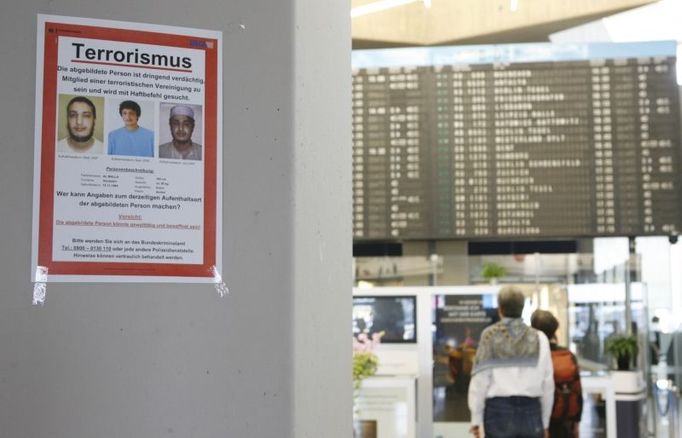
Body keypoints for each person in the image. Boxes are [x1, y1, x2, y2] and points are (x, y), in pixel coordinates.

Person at [468, 286, 554, 438]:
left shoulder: (489, 336)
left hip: (498, 412)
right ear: (523, 307)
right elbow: (548, 384)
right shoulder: (540, 338)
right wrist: (545, 423)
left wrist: (476, 419)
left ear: (500, 309)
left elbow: (480, 382)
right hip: (531, 411)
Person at [532, 310, 583, 438]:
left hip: (539, 421)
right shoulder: (567, 355)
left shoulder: (533, 356)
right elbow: (577, 390)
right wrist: (576, 424)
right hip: (565, 420)